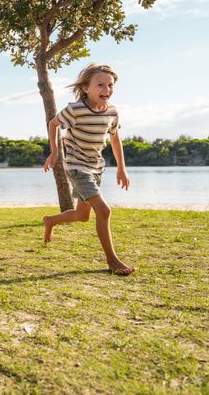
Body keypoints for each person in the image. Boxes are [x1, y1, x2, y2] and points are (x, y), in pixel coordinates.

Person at [42, 63, 135, 276]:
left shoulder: (112, 112)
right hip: (76, 167)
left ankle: (50, 221)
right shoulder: (75, 110)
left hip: (96, 167)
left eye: (110, 85)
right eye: (100, 85)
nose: (107, 90)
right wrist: (55, 152)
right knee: (104, 211)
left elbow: (115, 138)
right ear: (86, 88)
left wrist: (122, 168)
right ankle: (113, 261)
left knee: (82, 215)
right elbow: (53, 124)